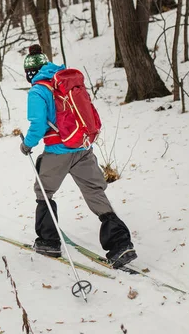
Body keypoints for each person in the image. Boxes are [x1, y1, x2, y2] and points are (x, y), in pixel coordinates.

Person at [19, 44, 137, 268]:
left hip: (58, 151)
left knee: (43, 191)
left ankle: (48, 242)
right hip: (82, 147)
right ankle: (121, 244)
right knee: (94, 191)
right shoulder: (66, 82)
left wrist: (27, 145)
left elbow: (37, 124)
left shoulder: (38, 90)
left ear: (30, 74)